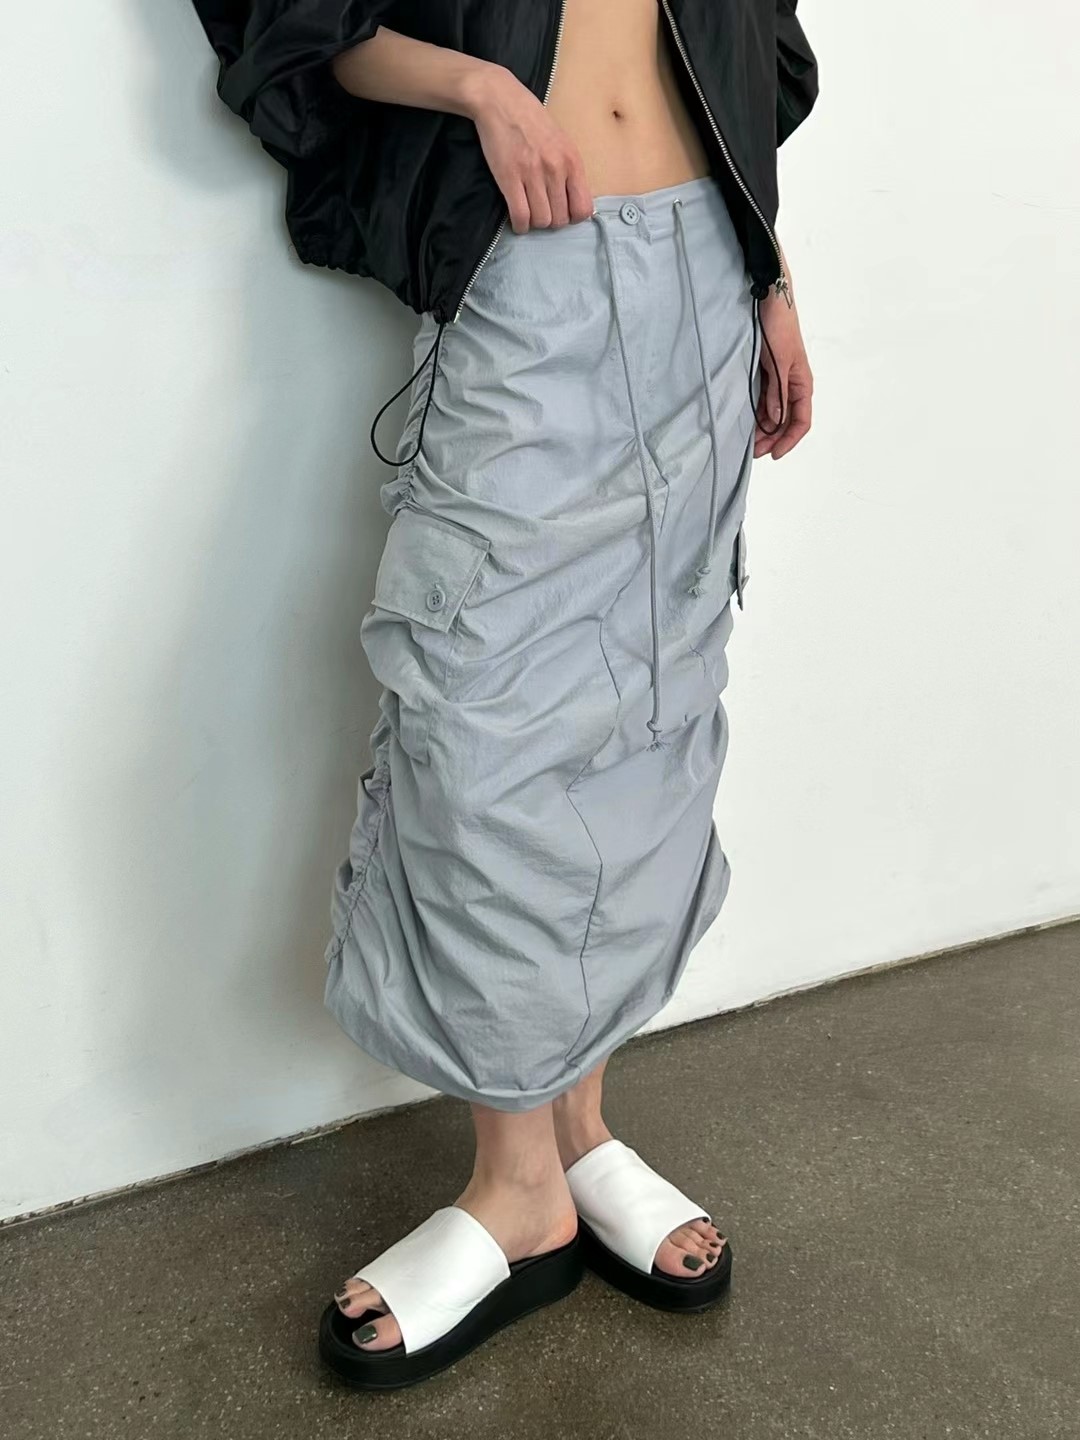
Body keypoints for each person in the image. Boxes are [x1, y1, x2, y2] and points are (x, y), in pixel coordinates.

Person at [191, 0, 818, 1389]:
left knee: (651, 709)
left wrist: (770, 274)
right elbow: (296, 19)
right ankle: (514, 1180)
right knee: (482, 724)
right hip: (530, 269)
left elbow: (742, 41)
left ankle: (578, 1137)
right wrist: (482, 88)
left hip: (706, 271)